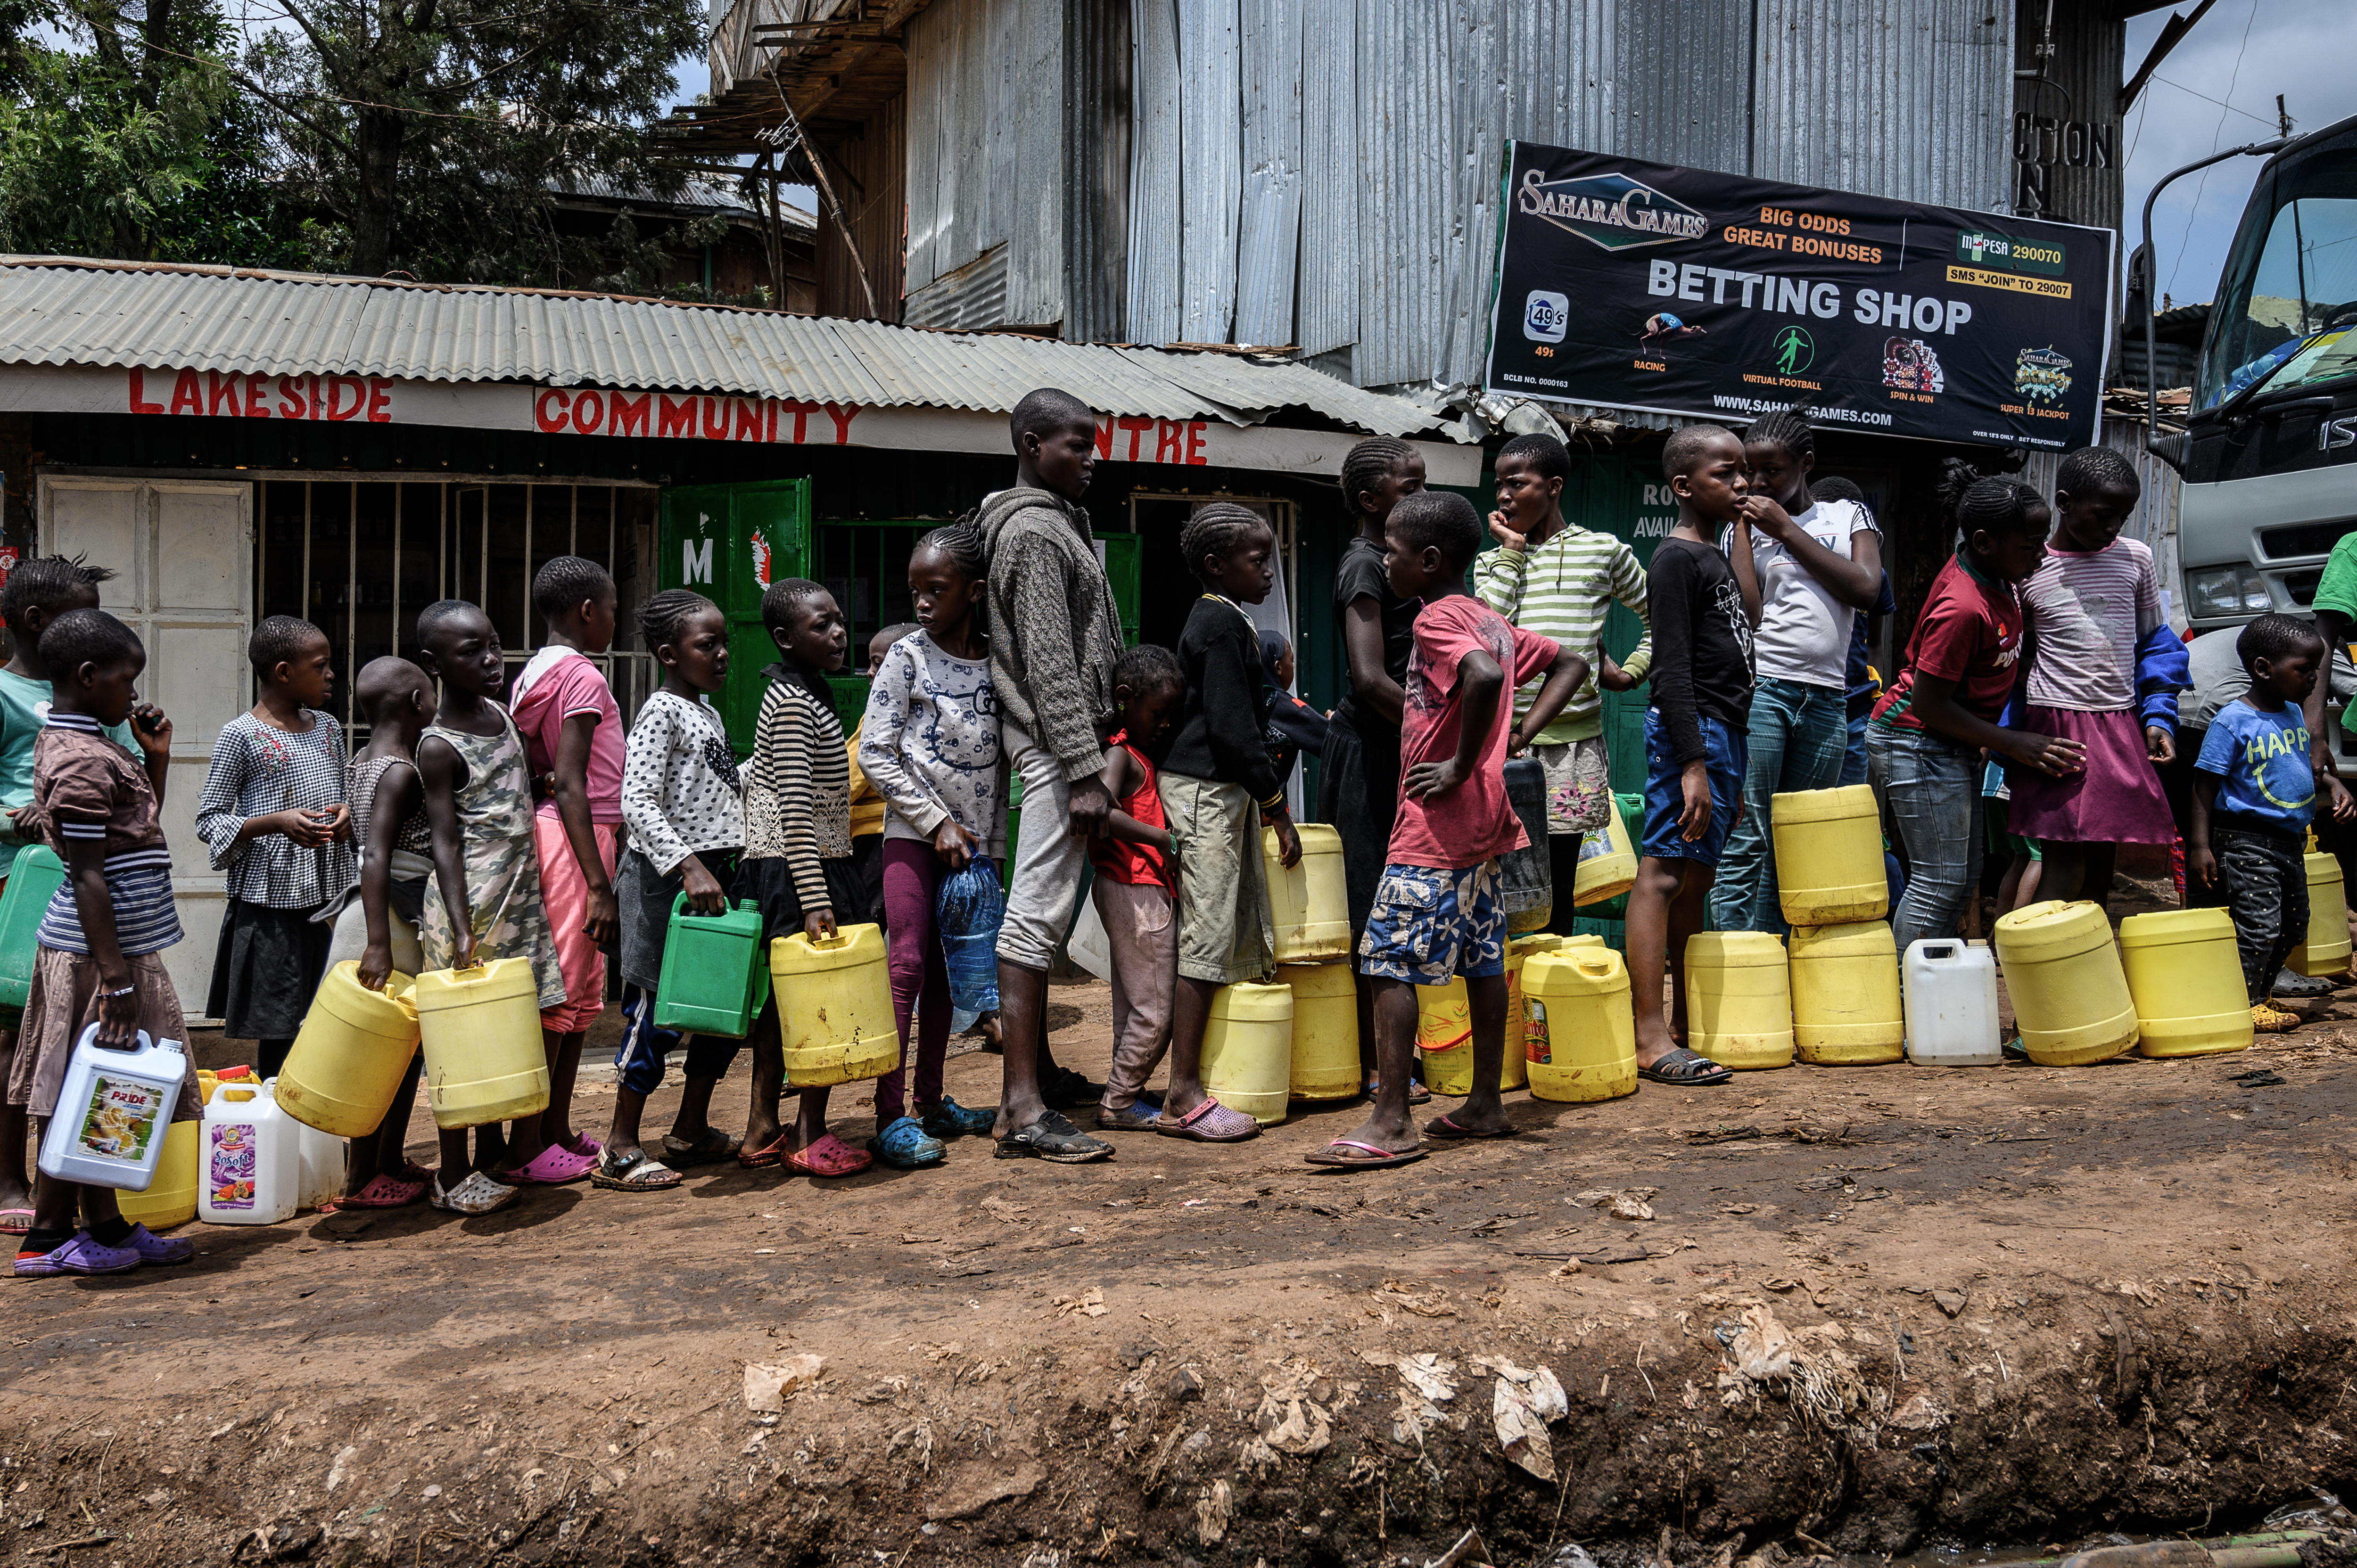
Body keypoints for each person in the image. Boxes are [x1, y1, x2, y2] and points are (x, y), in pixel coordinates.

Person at [1306, 491, 1585, 1167]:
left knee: (1388, 960)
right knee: (1484, 957)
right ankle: (1485, 1103)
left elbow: (1483, 675)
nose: (1384, 560)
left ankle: (1392, 1120)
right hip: (1489, 826)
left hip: (1437, 825)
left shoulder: (1435, 620)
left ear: (1429, 561)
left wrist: (1460, 761)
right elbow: (1570, 662)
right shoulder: (1491, 617)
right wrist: (1515, 732)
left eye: (1393, 552)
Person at [10, 608, 196, 1276]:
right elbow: (89, 873)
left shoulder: (94, 743)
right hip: (96, 959)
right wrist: (115, 980)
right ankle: (49, 1234)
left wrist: (156, 759)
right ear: (89, 677)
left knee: (108, 1090)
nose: (135, 694)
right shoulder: (81, 758)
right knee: (83, 1092)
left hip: (114, 951)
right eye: (126, 680)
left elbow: (133, 832)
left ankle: (106, 1224)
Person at [974, 387, 1122, 1163]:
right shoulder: (1034, 533)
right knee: (1033, 915)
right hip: (1055, 747)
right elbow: (1052, 666)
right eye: (1078, 445)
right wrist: (1082, 768)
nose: (1092, 458)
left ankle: (1040, 1079)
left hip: (1058, 747)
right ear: (1032, 445)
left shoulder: (1059, 525)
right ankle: (1021, 1107)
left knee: (1049, 913)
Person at [1868, 470, 2081, 953]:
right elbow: (1927, 703)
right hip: (1914, 738)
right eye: (2030, 546)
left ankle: (1936, 994)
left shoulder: (1999, 579)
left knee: (1961, 881)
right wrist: (2011, 742)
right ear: (1984, 543)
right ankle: (1906, 1002)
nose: (2041, 555)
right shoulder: (1962, 608)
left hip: (1950, 741)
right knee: (1937, 882)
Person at [1155, 504, 1302, 1144]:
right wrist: (1277, 805)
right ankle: (1181, 1092)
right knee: (1208, 938)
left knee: (1228, 934)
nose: (1269, 570)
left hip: (1221, 792)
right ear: (1216, 565)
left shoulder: (1228, 618)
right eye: (1257, 558)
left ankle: (1216, 1075)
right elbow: (1232, 726)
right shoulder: (1217, 621)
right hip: (1205, 791)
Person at [857, 530, 1003, 1169]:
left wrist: (989, 847)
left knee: (950, 975)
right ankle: (891, 1116)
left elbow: (1004, 766)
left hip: (975, 849)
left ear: (973, 592)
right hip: (913, 837)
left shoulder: (1000, 663)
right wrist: (934, 819)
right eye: (914, 590)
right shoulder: (907, 658)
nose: (920, 603)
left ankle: (932, 1098)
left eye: (935, 591)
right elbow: (876, 752)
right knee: (907, 965)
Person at [414, 599, 565, 1215]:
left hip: (521, 905)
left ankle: (496, 1152)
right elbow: (445, 838)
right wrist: (461, 924)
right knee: (462, 1041)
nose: (491, 659)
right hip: (473, 909)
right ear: (436, 664)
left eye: (494, 643)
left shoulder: (502, 716)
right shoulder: (438, 746)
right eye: (470, 651)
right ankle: (452, 1174)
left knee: (511, 1032)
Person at [1707, 409, 1882, 935]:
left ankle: (1774, 962)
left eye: (1772, 471)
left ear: (1805, 464)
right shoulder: (1740, 531)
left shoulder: (1847, 516)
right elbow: (1751, 613)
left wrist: (1784, 530)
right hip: (1764, 692)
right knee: (1748, 835)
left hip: (1829, 699)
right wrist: (1743, 528)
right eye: (1747, 472)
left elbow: (1865, 590)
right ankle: (1735, 963)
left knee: (1797, 840)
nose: (1757, 482)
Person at [601, 590, 752, 1191]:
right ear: (668, 653)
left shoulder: (707, 714)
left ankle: (690, 1130)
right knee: (656, 1015)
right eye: (706, 645)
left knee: (717, 1011)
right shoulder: (659, 712)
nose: (721, 655)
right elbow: (635, 802)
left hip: (716, 879)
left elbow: (713, 790)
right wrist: (688, 866)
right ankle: (619, 1146)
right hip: (671, 884)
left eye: (723, 644)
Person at [0, 555, 132, 1238]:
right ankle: (12, 1179)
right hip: (19, 882)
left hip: (89, 878)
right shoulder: (5, 696)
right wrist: (19, 811)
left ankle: (81, 1200)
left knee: (78, 1039)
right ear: (37, 623)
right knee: (16, 1036)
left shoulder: (99, 699)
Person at [1625, 426, 1759, 1087]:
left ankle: (1680, 1021)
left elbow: (1753, 614)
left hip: (1726, 729)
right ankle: (1650, 1035)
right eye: (1725, 474)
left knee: (1698, 878)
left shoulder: (1715, 553)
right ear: (1683, 486)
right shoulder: (1675, 558)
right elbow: (1672, 668)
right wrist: (1693, 761)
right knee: (1663, 873)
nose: (1742, 484)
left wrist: (1742, 533)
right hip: (1694, 729)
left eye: (1746, 474)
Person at [1474, 430, 1650, 934]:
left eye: (1516, 484)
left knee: (1555, 886)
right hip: (1504, 745)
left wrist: (1628, 673)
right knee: (1501, 883)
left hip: (1571, 749)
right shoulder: (1492, 562)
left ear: (1553, 486)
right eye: (1499, 486)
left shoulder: (1602, 552)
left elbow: (1659, 618)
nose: (1504, 496)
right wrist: (1510, 551)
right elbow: (1487, 632)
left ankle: (1548, 1000)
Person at [738, 578, 872, 1178]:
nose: (838, 632)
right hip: (803, 869)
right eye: (821, 626)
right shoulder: (793, 702)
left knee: (785, 1004)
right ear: (785, 638)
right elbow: (793, 803)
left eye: (839, 620)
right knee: (819, 996)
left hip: (800, 864)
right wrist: (816, 896)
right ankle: (808, 1133)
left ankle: (764, 1127)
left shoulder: (804, 692)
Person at [2006, 446, 2174, 908]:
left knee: (2101, 867)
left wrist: (2158, 715)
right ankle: (2034, 966)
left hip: (2117, 723)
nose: (2112, 528)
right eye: (2102, 515)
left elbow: (2155, 645)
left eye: (2122, 516)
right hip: (2055, 725)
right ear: (2063, 503)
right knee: (2061, 868)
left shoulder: (2135, 560)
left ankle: (2085, 970)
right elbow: (2011, 659)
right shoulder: (2028, 568)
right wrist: (2004, 734)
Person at [1318, 436, 1431, 1101]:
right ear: (1371, 501)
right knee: (1369, 902)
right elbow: (1368, 678)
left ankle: (1397, 1053)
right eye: (1409, 488)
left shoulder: (1406, 567)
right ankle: (1372, 1063)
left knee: (1399, 898)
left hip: (1400, 749)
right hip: (1368, 752)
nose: (1422, 497)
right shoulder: (1363, 566)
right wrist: (1440, 733)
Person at [505, 557, 624, 1184]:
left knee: (577, 989)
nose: (614, 618)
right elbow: (573, 783)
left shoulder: (535, 671)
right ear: (587, 610)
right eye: (610, 608)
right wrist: (600, 886)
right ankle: (527, 1144)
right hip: (577, 839)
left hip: (564, 832)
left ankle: (552, 1128)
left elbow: (543, 766)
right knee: (561, 990)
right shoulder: (579, 674)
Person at [195, 616, 354, 1079]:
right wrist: (274, 823)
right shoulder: (240, 735)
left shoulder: (327, 727)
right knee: (281, 1029)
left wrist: (345, 816)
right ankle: (281, 1131)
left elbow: (341, 791)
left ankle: (319, 1138)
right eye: (321, 666)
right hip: (272, 908)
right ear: (284, 672)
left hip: (328, 899)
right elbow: (210, 820)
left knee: (329, 1019)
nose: (330, 675)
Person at [2190, 615, 2355, 1033]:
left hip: (2289, 841)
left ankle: (2261, 993)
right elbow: (2204, 785)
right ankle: (2244, 1002)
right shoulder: (2232, 721)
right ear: (2264, 668)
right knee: (2259, 925)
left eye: (2316, 668)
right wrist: (2200, 845)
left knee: (2295, 923)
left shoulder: (2293, 715)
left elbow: (2302, 766)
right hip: (2246, 841)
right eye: (2305, 669)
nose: (2315, 678)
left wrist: (2334, 784)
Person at [320, 657, 439, 1209]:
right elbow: (376, 854)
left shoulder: (362, 759)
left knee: (395, 1050)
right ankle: (362, 1178)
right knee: (379, 1056)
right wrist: (378, 943)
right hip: (385, 921)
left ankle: (386, 1163)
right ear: (419, 703)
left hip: (374, 916)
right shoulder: (400, 770)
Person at [1089, 643, 1183, 1132]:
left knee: (1132, 1005)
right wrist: (1162, 838)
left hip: (1126, 887)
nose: (1164, 723)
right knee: (1156, 1010)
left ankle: (1121, 1091)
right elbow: (1098, 810)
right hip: (1136, 887)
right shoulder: (1120, 755)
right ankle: (1120, 1102)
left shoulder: (1134, 753)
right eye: (1158, 713)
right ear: (1126, 699)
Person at [1806, 476, 1899, 790]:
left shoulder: (1875, 578)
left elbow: (1875, 642)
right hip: (1806, 701)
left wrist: (1873, 687)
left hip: (1855, 710)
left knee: (1847, 804)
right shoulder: (1796, 569)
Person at [846, 622, 915, 932]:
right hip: (896, 831)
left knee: (868, 923)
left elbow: (850, 780)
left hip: (873, 835)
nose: (869, 672)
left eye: (878, 662)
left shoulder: (884, 710)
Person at [1259, 631, 1327, 792]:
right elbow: (1330, 740)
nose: (1293, 667)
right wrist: (1335, 723)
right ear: (1279, 667)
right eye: (1292, 662)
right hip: (1272, 812)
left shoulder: (1243, 699)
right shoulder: (1285, 706)